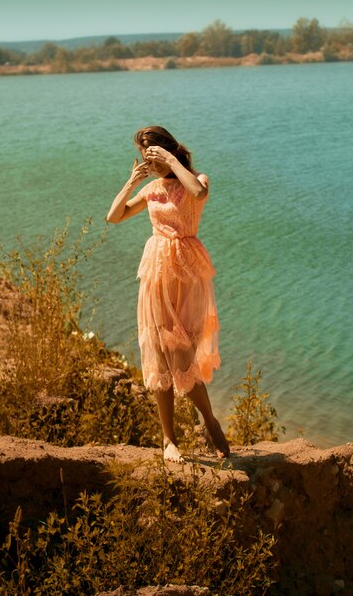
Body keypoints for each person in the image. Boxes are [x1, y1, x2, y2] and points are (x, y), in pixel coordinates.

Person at [107, 125, 230, 463]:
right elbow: (113, 216)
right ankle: (168, 440)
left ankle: (210, 421)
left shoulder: (196, 179)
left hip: (187, 275)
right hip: (156, 275)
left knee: (182, 354)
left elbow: (198, 193)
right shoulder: (151, 190)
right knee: (160, 354)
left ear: (167, 149)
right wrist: (133, 180)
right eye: (147, 157)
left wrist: (172, 162)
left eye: (154, 155)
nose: (152, 163)